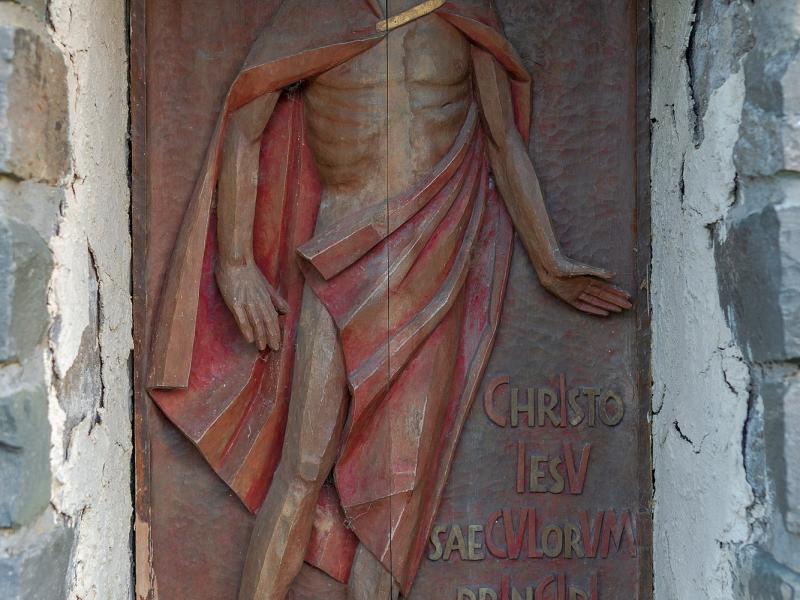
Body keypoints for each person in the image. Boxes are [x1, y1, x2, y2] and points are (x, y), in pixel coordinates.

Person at [147, 1, 632, 598]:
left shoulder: (464, 14)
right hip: (338, 257)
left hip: (432, 266)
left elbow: (503, 141)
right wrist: (235, 262)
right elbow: (246, 125)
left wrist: (549, 260)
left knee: (396, 500)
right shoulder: (317, 12)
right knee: (302, 465)